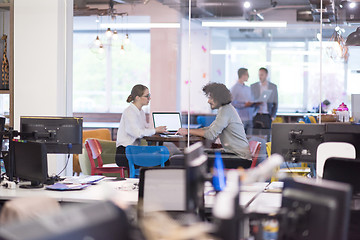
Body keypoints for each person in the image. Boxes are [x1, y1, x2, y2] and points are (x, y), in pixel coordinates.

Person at [177, 82, 251, 161]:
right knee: (200, 154)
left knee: (198, 158)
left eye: (210, 98)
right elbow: (209, 129)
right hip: (235, 154)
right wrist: (188, 131)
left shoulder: (225, 110)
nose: (208, 101)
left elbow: (210, 134)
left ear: (219, 98)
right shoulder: (225, 109)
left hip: (239, 157)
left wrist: (188, 131)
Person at [115, 84, 167, 168]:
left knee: (163, 159)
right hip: (125, 153)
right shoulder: (129, 112)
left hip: (134, 151)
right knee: (161, 160)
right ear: (137, 98)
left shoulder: (141, 112)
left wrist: (158, 130)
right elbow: (137, 133)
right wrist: (155, 130)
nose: (149, 98)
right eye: (147, 96)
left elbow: (144, 129)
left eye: (149, 95)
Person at [250, 67, 278, 140]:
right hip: (256, 114)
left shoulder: (273, 87)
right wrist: (256, 102)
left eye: (262, 75)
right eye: (259, 75)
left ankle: (266, 151)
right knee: (254, 137)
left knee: (267, 138)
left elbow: (276, 102)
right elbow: (250, 101)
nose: (260, 77)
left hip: (267, 115)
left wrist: (273, 116)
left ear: (266, 75)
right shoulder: (253, 86)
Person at [231, 68, 254, 135]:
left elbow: (251, 100)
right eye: (247, 74)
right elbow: (231, 103)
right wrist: (244, 105)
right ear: (242, 75)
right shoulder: (234, 88)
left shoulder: (248, 88)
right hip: (240, 119)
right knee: (240, 140)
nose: (248, 76)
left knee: (250, 140)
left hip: (249, 118)